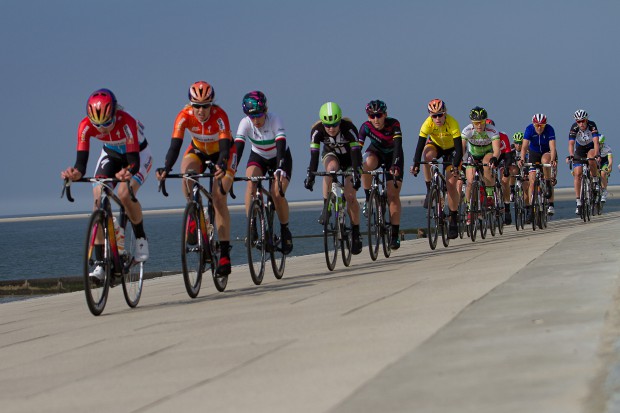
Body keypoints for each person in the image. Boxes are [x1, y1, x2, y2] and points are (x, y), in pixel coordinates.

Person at [61, 88, 152, 279]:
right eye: (98, 125)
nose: (102, 129)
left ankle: (141, 238)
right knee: (97, 202)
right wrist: (75, 173)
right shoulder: (85, 126)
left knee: (124, 194)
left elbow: (133, 160)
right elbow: (81, 164)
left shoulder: (126, 122)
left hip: (137, 154)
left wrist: (127, 172)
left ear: (114, 113)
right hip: (110, 154)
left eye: (107, 123)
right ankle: (101, 263)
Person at [156, 81, 237, 277]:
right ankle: (195, 214)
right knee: (186, 174)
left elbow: (225, 146)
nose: (201, 110)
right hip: (198, 150)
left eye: (205, 106)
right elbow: (175, 146)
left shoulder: (220, 116)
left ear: (211, 104)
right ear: (191, 104)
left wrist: (221, 164)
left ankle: (225, 254)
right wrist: (166, 168)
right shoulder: (184, 116)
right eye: (197, 106)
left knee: (219, 199)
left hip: (223, 154)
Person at [234, 91, 293, 254]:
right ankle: (251, 226)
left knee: (277, 194)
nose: (255, 120)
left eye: (258, 116)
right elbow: (238, 148)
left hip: (279, 158)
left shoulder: (275, 120)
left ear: (265, 111)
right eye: (251, 117)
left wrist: (280, 167)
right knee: (250, 183)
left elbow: (281, 144)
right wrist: (230, 170)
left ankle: (284, 229)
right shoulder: (245, 123)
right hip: (259, 156)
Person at [304, 102, 363, 254]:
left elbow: (356, 153)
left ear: (340, 121)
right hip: (332, 156)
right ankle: (326, 206)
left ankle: (356, 232)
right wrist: (311, 175)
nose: (331, 128)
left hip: (351, 160)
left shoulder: (349, 129)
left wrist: (356, 173)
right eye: (327, 125)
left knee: (350, 196)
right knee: (330, 170)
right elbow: (314, 156)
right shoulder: (316, 131)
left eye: (335, 124)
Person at [411, 99, 463, 239]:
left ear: (445, 113)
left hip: (452, 150)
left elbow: (459, 149)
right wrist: (415, 163)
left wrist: (456, 166)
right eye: (434, 116)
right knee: (426, 155)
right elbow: (420, 145)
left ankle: (453, 219)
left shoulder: (452, 123)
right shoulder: (427, 123)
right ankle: (429, 188)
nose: (438, 118)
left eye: (440, 115)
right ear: (430, 116)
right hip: (436, 146)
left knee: (451, 184)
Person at [358, 100, 404, 250]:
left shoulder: (394, 124)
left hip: (393, 155)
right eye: (372, 116)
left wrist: (395, 165)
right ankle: (367, 197)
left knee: (393, 195)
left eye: (379, 115)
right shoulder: (365, 127)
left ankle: (395, 236)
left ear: (385, 115)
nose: (376, 119)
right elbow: (357, 149)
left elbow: (398, 146)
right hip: (376, 152)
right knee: (366, 165)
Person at [461, 106, 501, 222]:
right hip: (473, 155)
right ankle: (469, 209)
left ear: (485, 121)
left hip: (487, 153)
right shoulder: (467, 130)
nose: (479, 125)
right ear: (472, 122)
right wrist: (461, 161)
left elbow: (497, 149)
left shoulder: (492, 130)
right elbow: (462, 148)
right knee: (470, 181)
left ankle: (489, 196)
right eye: (476, 123)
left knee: (487, 163)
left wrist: (494, 158)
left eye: (481, 122)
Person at [519, 114, 557, 220]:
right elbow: (524, 147)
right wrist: (522, 159)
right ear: (533, 124)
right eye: (537, 125)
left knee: (545, 161)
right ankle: (532, 207)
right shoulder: (529, 129)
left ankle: (550, 199)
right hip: (534, 152)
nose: (539, 128)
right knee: (532, 180)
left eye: (542, 125)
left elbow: (553, 147)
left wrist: (553, 159)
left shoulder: (549, 129)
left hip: (547, 152)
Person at [566, 109, 601, 215]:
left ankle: (594, 180)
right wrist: (571, 155)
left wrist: (597, 154)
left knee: (591, 158)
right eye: (578, 121)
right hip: (580, 149)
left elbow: (596, 142)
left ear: (586, 120)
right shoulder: (574, 128)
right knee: (577, 174)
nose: (581, 123)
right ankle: (578, 202)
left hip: (591, 147)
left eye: (583, 121)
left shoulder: (592, 125)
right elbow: (571, 143)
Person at [485, 119, 513, 224]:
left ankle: (507, 208)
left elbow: (509, 156)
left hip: (502, 158)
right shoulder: (481, 138)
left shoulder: (502, 137)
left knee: (505, 181)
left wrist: (506, 167)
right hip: (489, 159)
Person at [598, 135, 612, 202]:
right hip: (595, 161)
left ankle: (604, 191)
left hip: (604, 162)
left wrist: (609, 166)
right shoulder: (591, 146)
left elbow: (610, 160)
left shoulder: (607, 147)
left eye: (600, 144)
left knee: (603, 173)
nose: (598, 145)